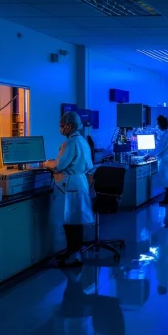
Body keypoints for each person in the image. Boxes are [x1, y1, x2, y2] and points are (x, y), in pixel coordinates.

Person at [45, 111, 95, 267]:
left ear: (70, 125)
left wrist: (45, 163)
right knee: (75, 222)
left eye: (62, 125)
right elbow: (89, 166)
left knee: (71, 223)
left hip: (71, 185)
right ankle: (73, 253)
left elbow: (58, 165)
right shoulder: (82, 141)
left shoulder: (70, 143)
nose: (60, 128)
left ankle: (73, 255)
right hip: (80, 183)